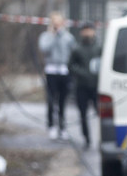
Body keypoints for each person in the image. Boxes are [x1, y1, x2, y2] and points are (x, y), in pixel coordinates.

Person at [38, 12, 77, 140]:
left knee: (62, 101)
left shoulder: (68, 37)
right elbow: (44, 49)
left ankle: (62, 127)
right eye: (55, 23)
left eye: (59, 22)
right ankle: (51, 126)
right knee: (51, 100)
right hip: (51, 70)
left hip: (64, 71)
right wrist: (54, 36)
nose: (57, 25)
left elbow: (73, 51)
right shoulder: (46, 36)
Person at [69, 21, 102, 149]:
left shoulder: (99, 47)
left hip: (96, 86)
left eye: (89, 30)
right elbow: (71, 65)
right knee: (82, 114)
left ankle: (101, 139)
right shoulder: (77, 48)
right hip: (81, 86)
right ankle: (86, 139)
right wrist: (82, 73)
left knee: (100, 114)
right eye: (85, 30)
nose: (87, 32)